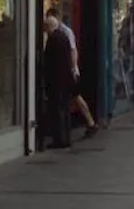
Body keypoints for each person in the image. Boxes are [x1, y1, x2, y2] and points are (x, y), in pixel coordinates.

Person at [46, 9, 98, 138]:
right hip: (66, 71)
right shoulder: (57, 31)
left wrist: (73, 69)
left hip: (68, 72)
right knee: (73, 97)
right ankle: (87, 123)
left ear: (57, 18)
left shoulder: (66, 32)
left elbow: (73, 51)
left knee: (75, 97)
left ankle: (90, 122)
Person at [41, 10, 78, 149]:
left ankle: (59, 139)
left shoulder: (53, 39)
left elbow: (48, 61)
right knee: (65, 109)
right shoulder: (64, 36)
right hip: (66, 79)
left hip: (56, 81)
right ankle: (66, 138)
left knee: (57, 110)